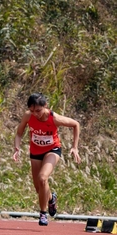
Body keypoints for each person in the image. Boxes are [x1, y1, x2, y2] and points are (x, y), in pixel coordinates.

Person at [13, 93, 81, 226]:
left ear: (45, 106)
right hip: (35, 152)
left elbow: (76, 124)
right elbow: (19, 133)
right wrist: (17, 148)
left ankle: (43, 214)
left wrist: (75, 147)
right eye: (32, 111)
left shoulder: (54, 118)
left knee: (43, 178)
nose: (35, 114)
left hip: (52, 150)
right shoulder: (28, 116)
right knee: (39, 189)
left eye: (38, 110)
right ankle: (51, 198)